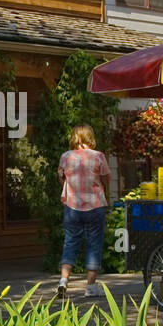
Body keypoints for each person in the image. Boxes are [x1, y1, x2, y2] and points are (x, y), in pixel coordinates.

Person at [56, 124, 111, 299]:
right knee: (94, 244)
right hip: (95, 205)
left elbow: (61, 179)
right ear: (90, 137)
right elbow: (107, 178)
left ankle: (64, 281)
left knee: (70, 242)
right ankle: (91, 287)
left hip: (72, 207)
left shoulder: (65, 157)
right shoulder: (98, 157)